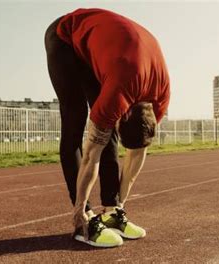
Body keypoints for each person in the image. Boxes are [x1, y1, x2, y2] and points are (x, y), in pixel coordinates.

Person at [45, 8, 170, 247]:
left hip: (109, 53)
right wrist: (80, 207)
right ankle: (86, 220)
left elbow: (137, 153)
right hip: (65, 36)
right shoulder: (117, 95)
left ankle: (112, 211)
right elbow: (92, 155)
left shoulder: (160, 98)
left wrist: (120, 202)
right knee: (76, 117)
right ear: (122, 114)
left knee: (106, 131)